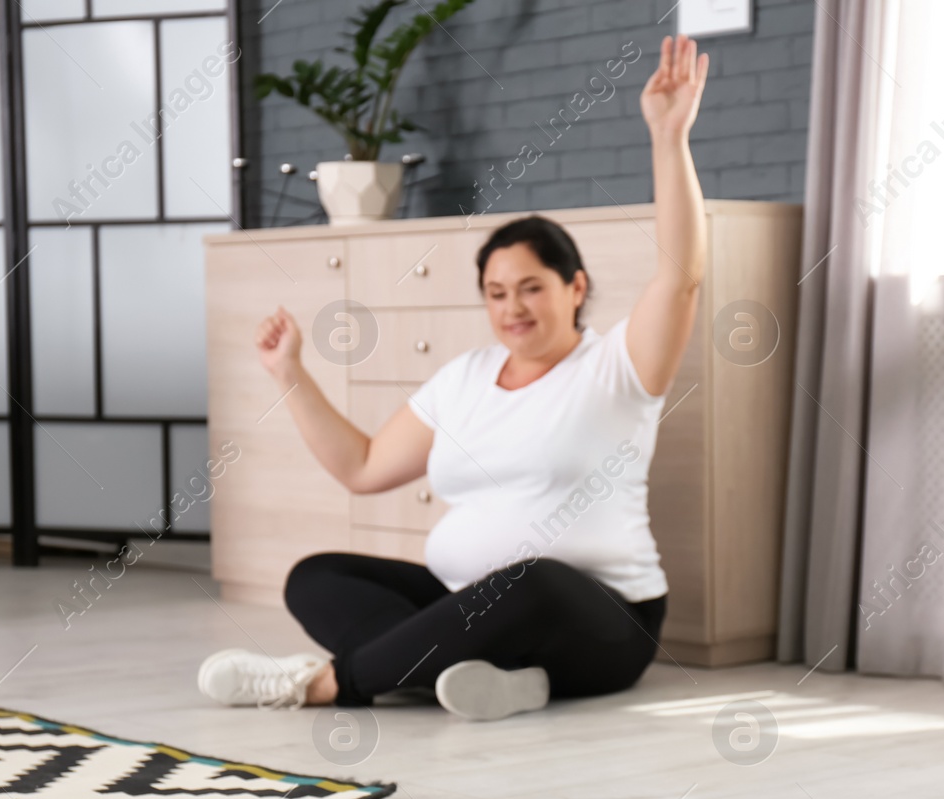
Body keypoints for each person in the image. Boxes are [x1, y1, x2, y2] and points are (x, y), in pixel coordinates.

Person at [199, 34, 710, 720]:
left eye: (531, 287)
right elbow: (363, 466)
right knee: (317, 576)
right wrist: (290, 374)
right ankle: (496, 676)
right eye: (496, 293)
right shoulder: (465, 376)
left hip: (604, 622)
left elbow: (681, 276)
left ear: (576, 286)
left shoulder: (618, 366)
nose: (513, 308)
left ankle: (323, 683)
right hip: (462, 600)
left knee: (532, 582)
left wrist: (668, 138)